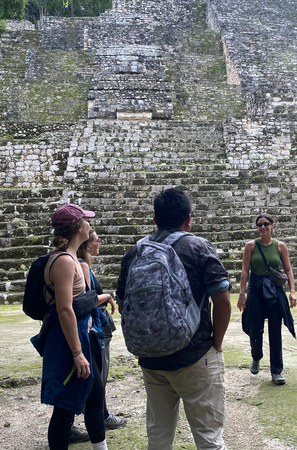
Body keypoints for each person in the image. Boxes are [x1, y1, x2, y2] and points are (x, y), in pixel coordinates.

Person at [116, 188, 232, 450]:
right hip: (196, 354)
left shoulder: (135, 252)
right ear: (188, 219)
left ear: (155, 220)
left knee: (158, 435)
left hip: (151, 359)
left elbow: (124, 306)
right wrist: (216, 344)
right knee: (209, 438)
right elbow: (222, 301)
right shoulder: (198, 246)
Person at [41, 203, 114, 450]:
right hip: (69, 338)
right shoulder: (63, 261)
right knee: (65, 404)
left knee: (95, 394)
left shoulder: (71, 257)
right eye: (86, 219)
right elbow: (64, 309)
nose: (89, 223)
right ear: (79, 227)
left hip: (80, 334)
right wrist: (77, 352)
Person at [68, 230, 125, 443]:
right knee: (97, 377)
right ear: (87, 244)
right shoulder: (82, 265)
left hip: (89, 328)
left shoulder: (81, 264)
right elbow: (87, 300)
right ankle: (101, 417)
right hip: (91, 329)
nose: (100, 242)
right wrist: (107, 296)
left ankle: (99, 416)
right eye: (96, 240)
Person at [238, 213, 297, 385]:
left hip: (274, 290)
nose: (262, 227)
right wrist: (242, 294)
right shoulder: (251, 246)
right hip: (256, 289)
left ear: (272, 225)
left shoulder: (280, 246)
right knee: (255, 326)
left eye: (266, 224)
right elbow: (245, 270)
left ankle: (276, 371)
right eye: (259, 224)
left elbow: (288, 269)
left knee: (275, 330)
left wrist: (292, 291)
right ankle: (256, 357)